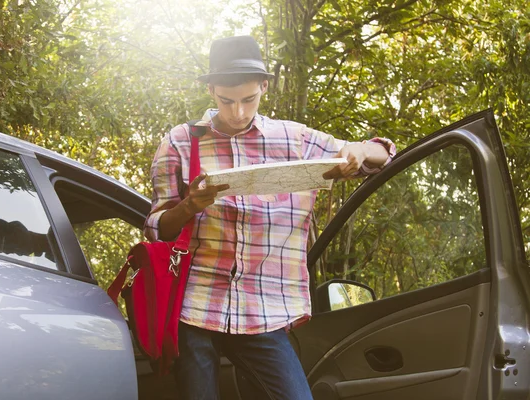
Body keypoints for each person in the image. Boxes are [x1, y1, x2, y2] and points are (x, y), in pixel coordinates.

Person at [144, 35, 396, 400]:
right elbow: (156, 228)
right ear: (212, 89)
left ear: (264, 86)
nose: (238, 112)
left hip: (264, 310)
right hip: (193, 306)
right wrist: (189, 207)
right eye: (226, 100)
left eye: (249, 99)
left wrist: (358, 149)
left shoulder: (294, 139)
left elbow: (383, 151)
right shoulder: (181, 142)